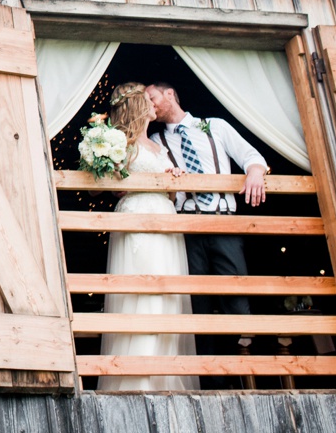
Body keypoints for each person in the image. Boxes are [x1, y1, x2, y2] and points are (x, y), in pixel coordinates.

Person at [145, 82, 266, 374]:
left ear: (170, 93)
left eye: (152, 97)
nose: (150, 104)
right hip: (186, 227)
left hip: (222, 222)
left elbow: (251, 156)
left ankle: (238, 366)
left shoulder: (215, 126)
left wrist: (255, 173)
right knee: (197, 304)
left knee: (235, 301)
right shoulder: (155, 140)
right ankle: (212, 377)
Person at [97, 82, 199, 392]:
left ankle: (167, 375)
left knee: (169, 295)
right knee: (144, 295)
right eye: (148, 100)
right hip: (139, 217)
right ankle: (138, 377)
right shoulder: (121, 144)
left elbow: (170, 190)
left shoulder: (158, 146)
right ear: (138, 106)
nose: (155, 105)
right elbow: (112, 186)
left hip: (167, 221)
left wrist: (174, 179)